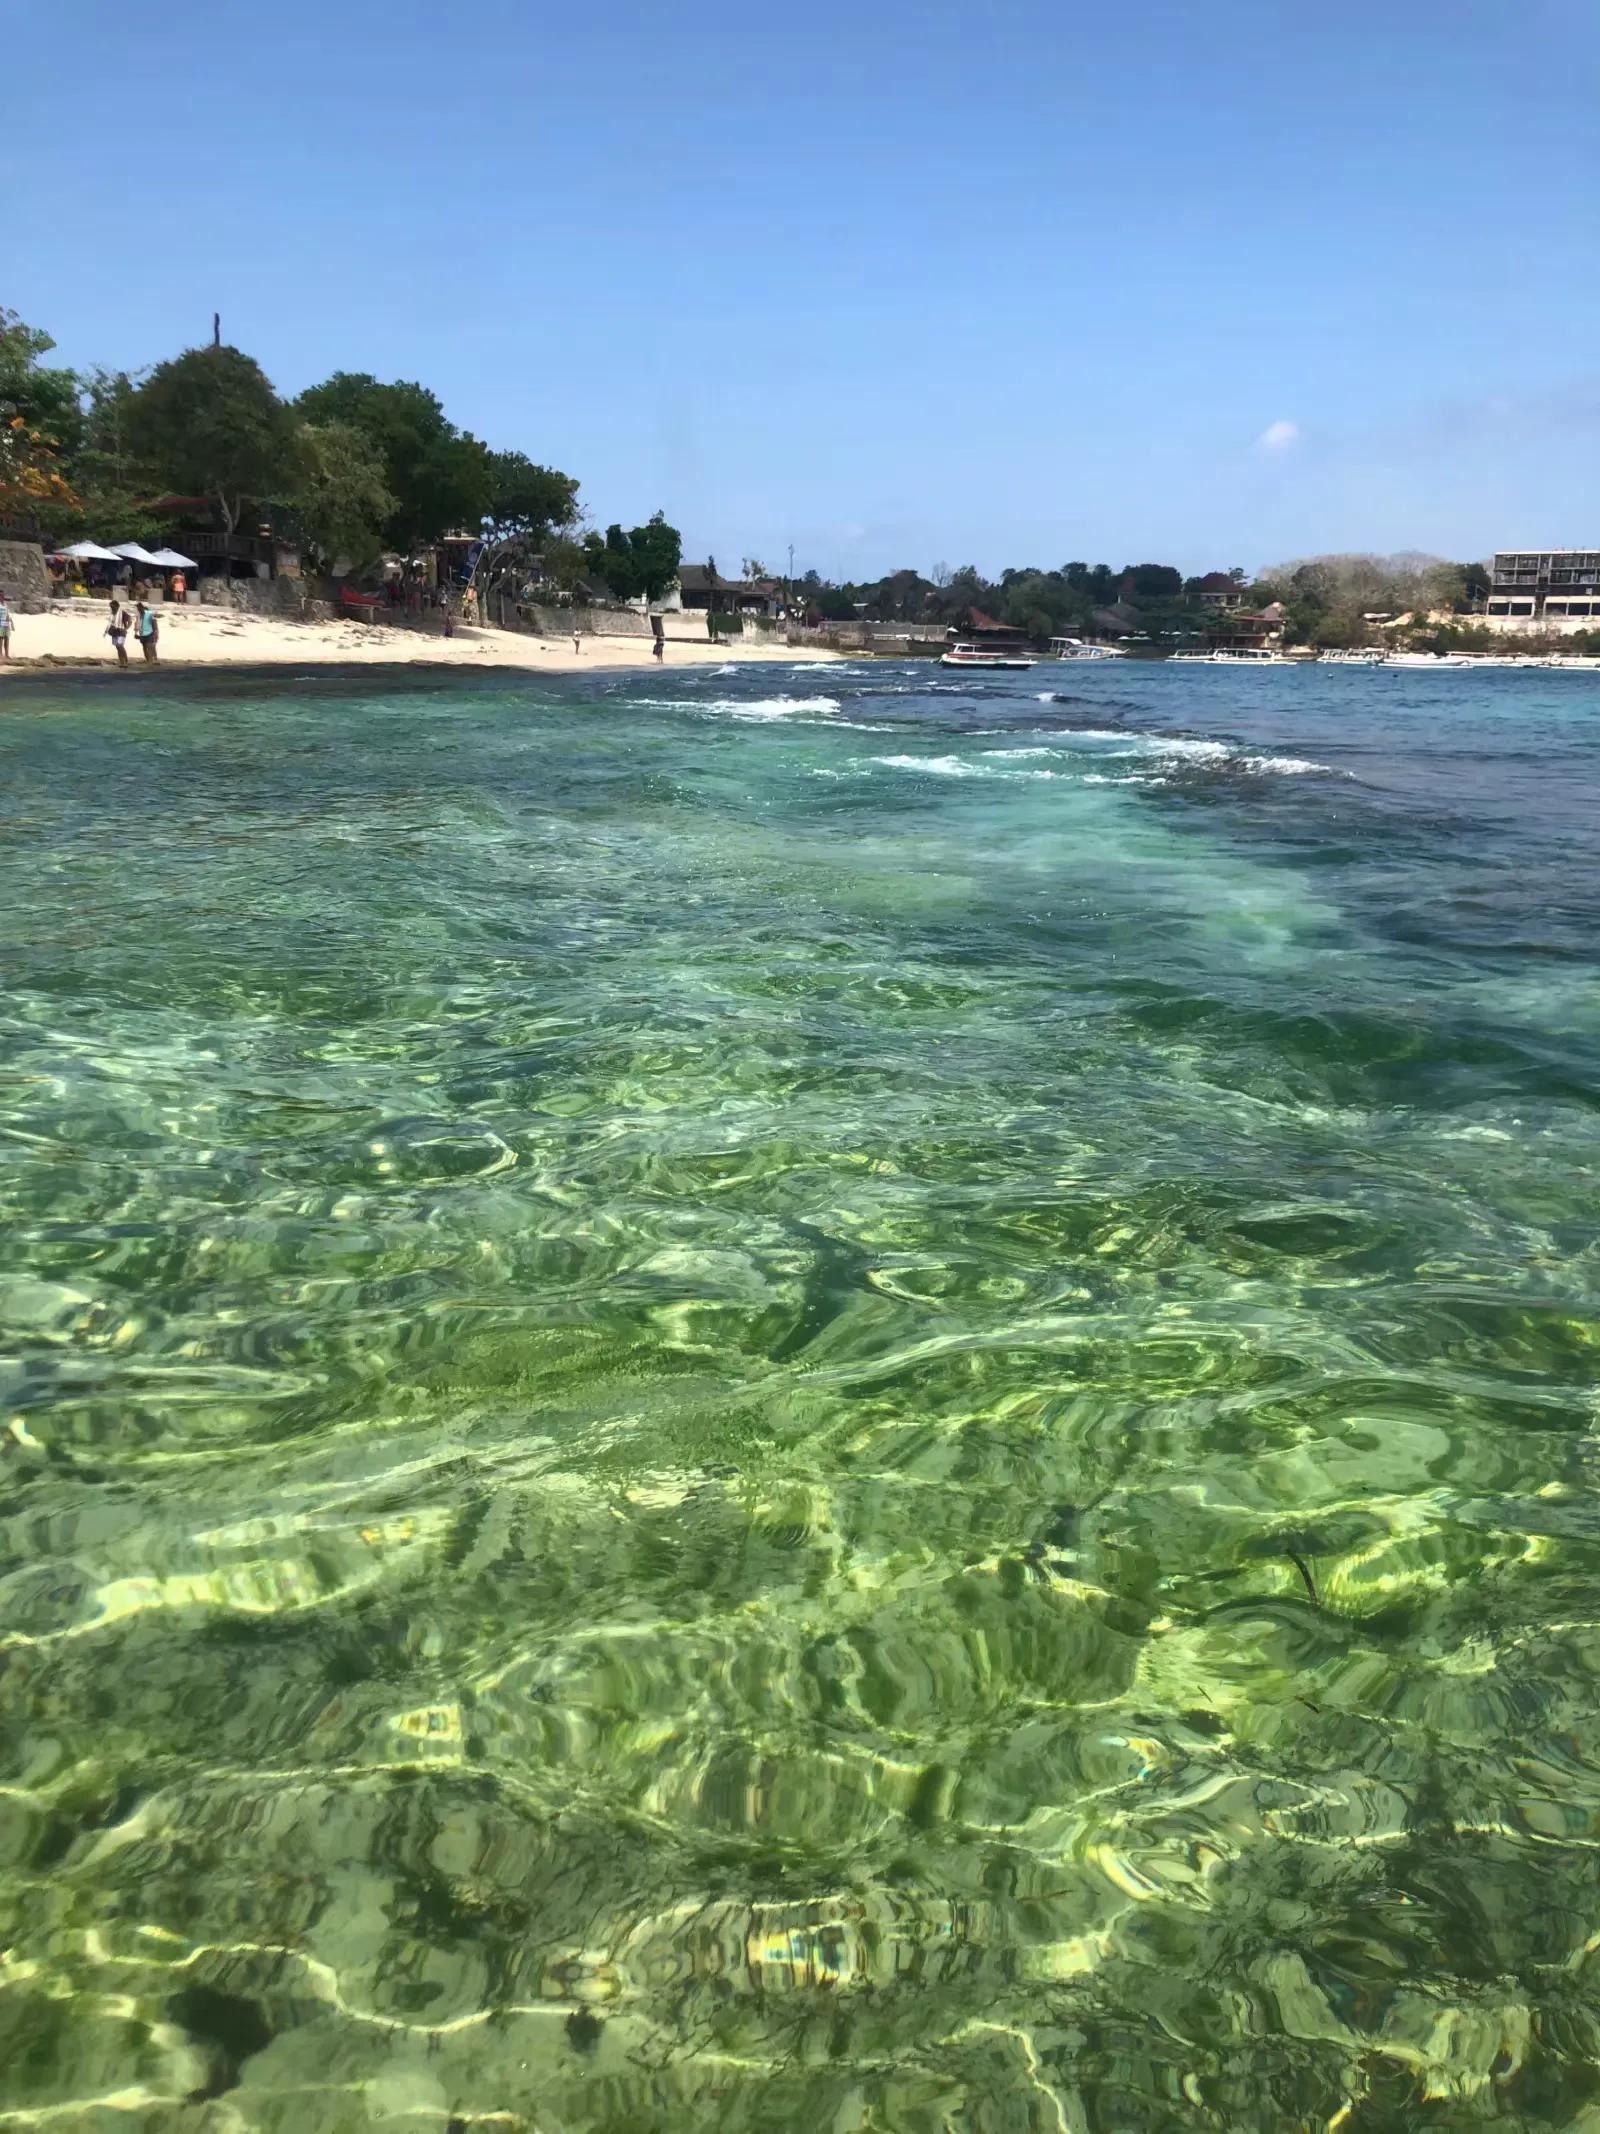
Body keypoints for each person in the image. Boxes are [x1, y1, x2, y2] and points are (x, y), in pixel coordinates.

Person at [107, 603, 130, 668]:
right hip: (114, 632)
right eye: (111, 607)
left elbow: (130, 620)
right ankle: (122, 662)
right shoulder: (112, 613)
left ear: (117, 606)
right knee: (117, 647)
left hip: (121, 632)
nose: (112, 608)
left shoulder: (122, 613)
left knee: (120, 646)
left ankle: (125, 661)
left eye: (113, 607)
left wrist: (126, 628)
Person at [0, 590, 11, 662]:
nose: (1, 597)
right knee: (0, 639)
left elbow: (7, 614)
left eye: (2, 595)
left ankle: (7, 654)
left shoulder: (5, 604)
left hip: (6, 623)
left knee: (7, 638)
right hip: (0, 623)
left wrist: (11, 623)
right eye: (0, 595)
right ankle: (0, 654)